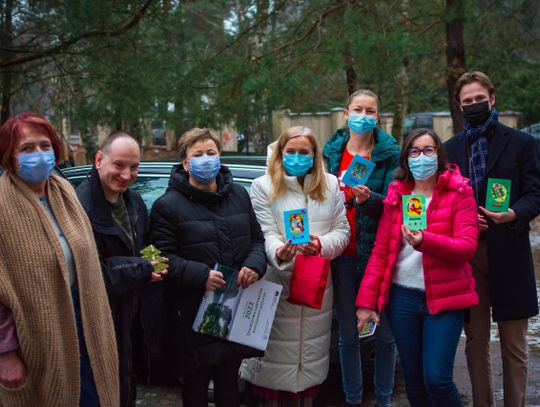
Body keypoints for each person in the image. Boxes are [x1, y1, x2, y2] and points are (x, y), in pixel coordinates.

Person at [0, 112, 119, 406]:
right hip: (36, 334)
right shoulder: (2, 205)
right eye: (26, 148)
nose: (38, 155)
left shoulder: (65, 192)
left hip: (84, 321)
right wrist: (5, 352)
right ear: (8, 155)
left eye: (45, 145)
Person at [356, 128, 479, 406]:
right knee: (413, 378)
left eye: (427, 150)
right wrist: (366, 302)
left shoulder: (460, 192)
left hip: (445, 300)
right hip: (403, 299)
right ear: (406, 158)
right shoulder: (397, 193)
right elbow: (379, 253)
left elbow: (466, 247)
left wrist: (425, 240)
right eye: (414, 151)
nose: (421, 156)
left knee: (437, 379)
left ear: (439, 154)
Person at [150, 128, 266, 407]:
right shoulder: (167, 205)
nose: (206, 160)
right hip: (192, 313)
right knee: (196, 385)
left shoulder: (238, 194)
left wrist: (254, 265)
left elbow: (257, 240)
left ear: (220, 157)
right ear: (186, 163)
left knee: (229, 384)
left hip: (234, 307)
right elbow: (159, 257)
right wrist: (200, 275)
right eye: (197, 155)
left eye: (211, 153)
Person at [444, 71, 540, 407]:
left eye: (478, 99)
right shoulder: (450, 150)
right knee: (475, 341)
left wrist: (512, 214)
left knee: (514, 344)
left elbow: (535, 193)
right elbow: (442, 202)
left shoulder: (523, 143)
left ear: (492, 98)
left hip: (510, 253)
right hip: (468, 258)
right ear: (459, 105)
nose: (473, 105)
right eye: (467, 101)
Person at [241, 126, 350, 405]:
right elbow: (264, 233)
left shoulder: (331, 185)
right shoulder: (263, 186)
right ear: (280, 152)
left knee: (307, 379)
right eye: (291, 151)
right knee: (272, 380)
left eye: (304, 152)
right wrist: (281, 252)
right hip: (278, 290)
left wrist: (321, 246)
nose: (297, 157)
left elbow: (342, 231)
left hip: (316, 292)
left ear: (315, 155)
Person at [76, 131, 168, 407]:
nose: (126, 174)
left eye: (134, 167)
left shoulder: (134, 202)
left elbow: (144, 246)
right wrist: (142, 269)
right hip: (97, 318)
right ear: (99, 159)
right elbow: (91, 272)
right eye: (119, 165)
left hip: (131, 312)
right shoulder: (80, 207)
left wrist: (157, 262)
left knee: (125, 384)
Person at [322, 89, 399, 406]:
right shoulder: (330, 154)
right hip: (342, 257)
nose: (363, 116)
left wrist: (371, 200)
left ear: (378, 116)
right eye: (358, 109)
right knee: (348, 335)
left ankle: (383, 399)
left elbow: (397, 206)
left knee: (383, 335)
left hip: (377, 258)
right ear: (346, 113)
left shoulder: (389, 154)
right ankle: (353, 399)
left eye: (370, 111)